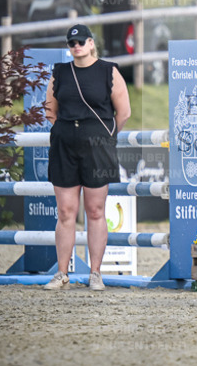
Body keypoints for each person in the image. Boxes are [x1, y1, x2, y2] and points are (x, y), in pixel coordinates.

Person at [42, 25, 131, 291]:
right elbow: (50, 110)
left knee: (95, 210)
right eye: (72, 42)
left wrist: (103, 136)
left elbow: (123, 112)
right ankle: (62, 273)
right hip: (65, 146)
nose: (76, 45)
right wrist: (66, 132)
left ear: (91, 43)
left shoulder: (109, 71)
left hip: (98, 146)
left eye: (81, 41)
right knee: (66, 211)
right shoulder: (59, 73)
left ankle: (95, 273)